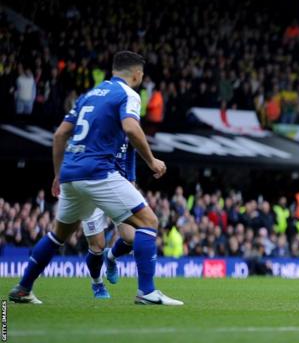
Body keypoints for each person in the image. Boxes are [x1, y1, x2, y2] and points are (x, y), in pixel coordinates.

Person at [8, 51, 183, 305]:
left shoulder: (88, 95)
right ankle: (147, 291)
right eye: (141, 75)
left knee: (57, 235)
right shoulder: (128, 95)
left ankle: (23, 288)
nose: (141, 79)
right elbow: (131, 128)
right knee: (149, 222)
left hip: (71, 174)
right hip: (98, 172)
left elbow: (59, 136)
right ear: (136, 74)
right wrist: (152, 161)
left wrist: (58, 175)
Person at [80, 140, 137, 298]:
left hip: (118, 187)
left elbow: (132, 151)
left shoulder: (128, 124)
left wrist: (131, 181)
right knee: (97, 245)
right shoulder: (96, 122)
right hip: (92, 186)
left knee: (131, 237)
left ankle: (111, 257)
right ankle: (97, 283)